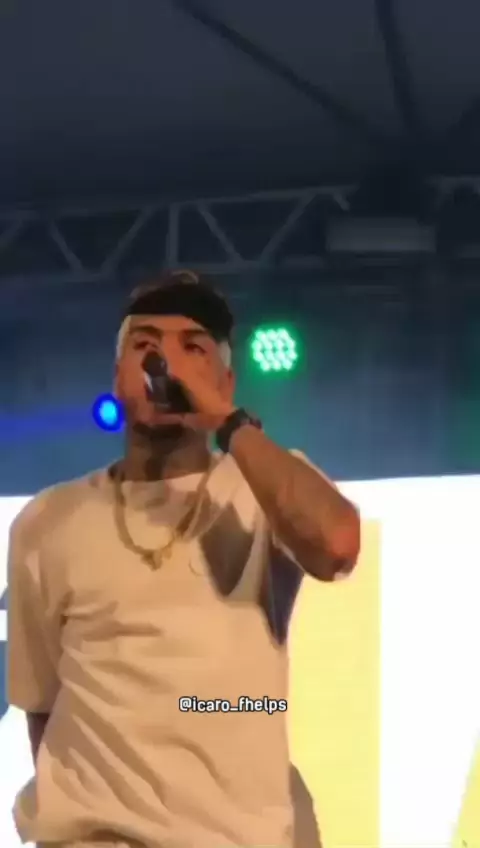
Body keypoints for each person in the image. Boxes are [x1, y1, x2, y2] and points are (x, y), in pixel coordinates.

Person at [6, 270, 360, 848]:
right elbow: (42, 705)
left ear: (226, 379)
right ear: (117, 375)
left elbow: (337, 545)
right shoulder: (48, 522)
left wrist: (226, 421)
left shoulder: (262, 489)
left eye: (192, 350)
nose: (164, 365)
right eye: (145, 346)